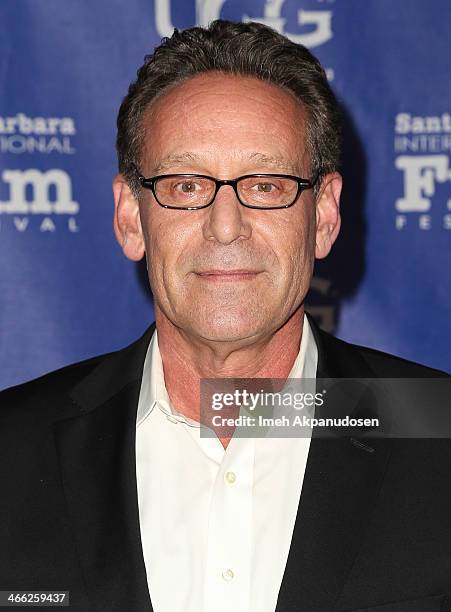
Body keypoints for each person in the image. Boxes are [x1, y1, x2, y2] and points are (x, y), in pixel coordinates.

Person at [0, 19, 450, 612]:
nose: (225, 225)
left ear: (324, 217)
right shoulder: (11, 450)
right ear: (131, 217)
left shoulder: (440, 439)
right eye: (186, 186)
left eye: (265, 186)